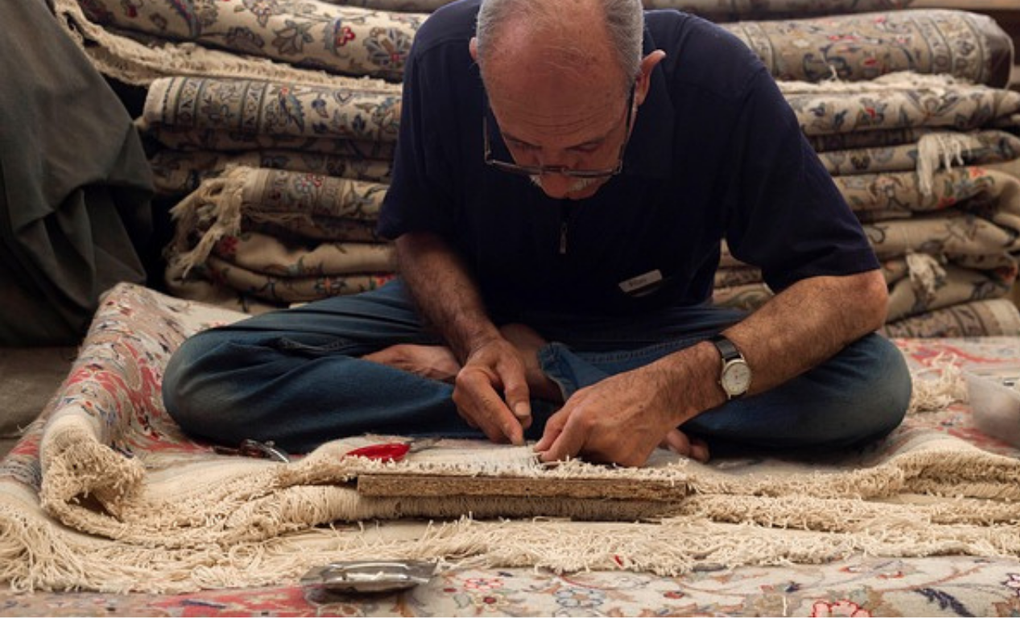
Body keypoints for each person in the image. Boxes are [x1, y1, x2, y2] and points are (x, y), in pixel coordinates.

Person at [162, 0, 912, 467]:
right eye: (521, 149)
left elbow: (852, 287)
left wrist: (667, 386)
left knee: (872, 385)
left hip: (646, 332)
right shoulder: (441, 60)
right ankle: (561, 403)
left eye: (587, 153)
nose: (555, 180)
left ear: (642, 81)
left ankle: (559, 389)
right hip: (473, 318)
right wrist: (478, 343)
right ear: (479, 67)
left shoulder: (720, 84)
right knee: (206, 375)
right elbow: (419, 233)